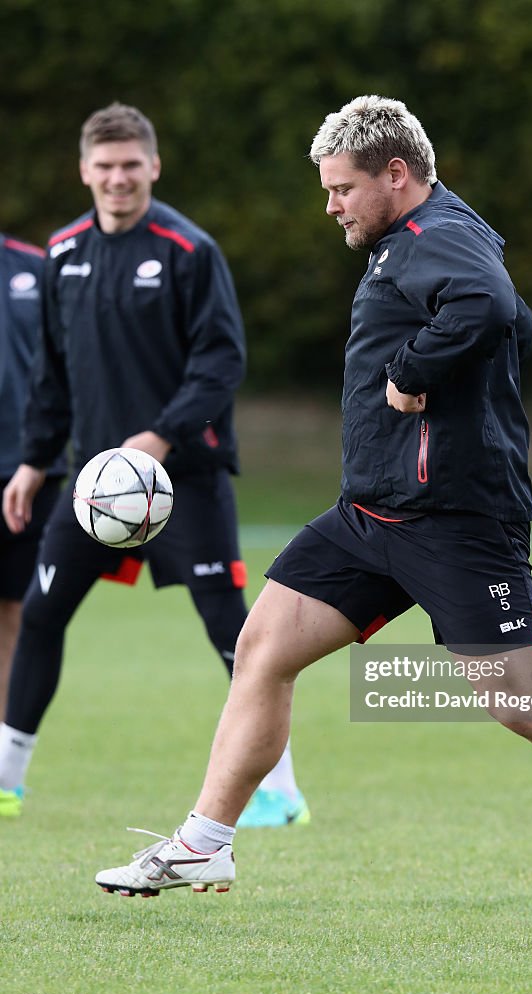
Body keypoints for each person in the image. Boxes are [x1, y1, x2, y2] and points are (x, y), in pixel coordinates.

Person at [94, 96, 532, 929]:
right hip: (370, 516)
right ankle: (206, 838)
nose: (331, 205)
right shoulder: (411, 240)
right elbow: (516, 321)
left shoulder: (441, 238)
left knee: (520, 700)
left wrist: (418, 368)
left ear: (396, 173)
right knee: (263, 647)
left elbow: (492, 308)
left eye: (342, 188)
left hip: (458, 521)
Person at [0, 103, 309, 828]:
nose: (117, 179)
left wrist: (162, 437)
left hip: (185, 481)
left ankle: (282, 791)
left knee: (235, 635)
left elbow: (221, 361)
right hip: (93, 484)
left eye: (130, 166)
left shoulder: (187, 249)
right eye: (104, 167)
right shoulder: (64, 252)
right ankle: (7, 781)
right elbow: (52, 373)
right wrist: (34, 461)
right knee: (41, 615)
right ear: (84, 171)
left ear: (154, 167)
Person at [0, 232, 66, 775]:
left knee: (19, 612)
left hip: (29, 470)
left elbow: (61, 363)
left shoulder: (37, 266)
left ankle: (3, 766)